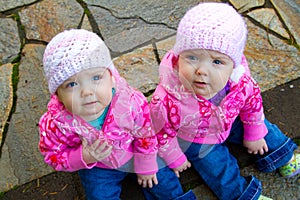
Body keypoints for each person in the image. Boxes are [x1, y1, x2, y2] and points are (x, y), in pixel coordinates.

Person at [150, 2, 299, 200]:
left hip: (230, 119)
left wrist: (254, 133)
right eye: (192, 57)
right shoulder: (166, 99)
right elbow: (160, 131)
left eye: (217, 62)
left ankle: (283, 156)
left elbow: (252, 104)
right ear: (178, 59)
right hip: (196, 138)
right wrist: (173, 156)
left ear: (233, 64)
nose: (202, 70)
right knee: (218, 168)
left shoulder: (240, 81)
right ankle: (243, 195)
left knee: (264, 129)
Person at [38, 29, 196, 200]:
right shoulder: (56, 123)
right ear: (57, 94)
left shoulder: (130, 103)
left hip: (135, 151)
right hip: (98, 167)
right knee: (99, 195)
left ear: (112, 78)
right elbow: (53, 154)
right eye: (72, 84)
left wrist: (146, 163)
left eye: (96, 78)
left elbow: (146, 132)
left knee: (165, 182)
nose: (87, 92)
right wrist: (83, 156)